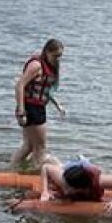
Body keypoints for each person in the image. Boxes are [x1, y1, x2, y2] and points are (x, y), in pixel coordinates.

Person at [12, 39, 65, 168]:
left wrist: (57, 105)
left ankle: (12, 168)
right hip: (31, 109)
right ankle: (55, 169)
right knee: (41, 148)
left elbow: (45, 90)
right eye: (55, 56)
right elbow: (20, 85)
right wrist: (21, 111)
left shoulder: (50, 66)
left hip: (37, 107)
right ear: (47, 52)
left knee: (29, 146)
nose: (57, 59)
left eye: (60, 56)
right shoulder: (36, 65)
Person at [35, 155, 112, 204]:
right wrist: (45, 191)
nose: (66, 190)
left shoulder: (98, 181)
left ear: (81, 188)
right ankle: (57, 162)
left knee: (89, 166)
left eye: (68, 187)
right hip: (71, 167)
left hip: (86, 167)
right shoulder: (62, 178)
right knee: (58, 166)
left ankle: (80, 160)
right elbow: (45, 167)